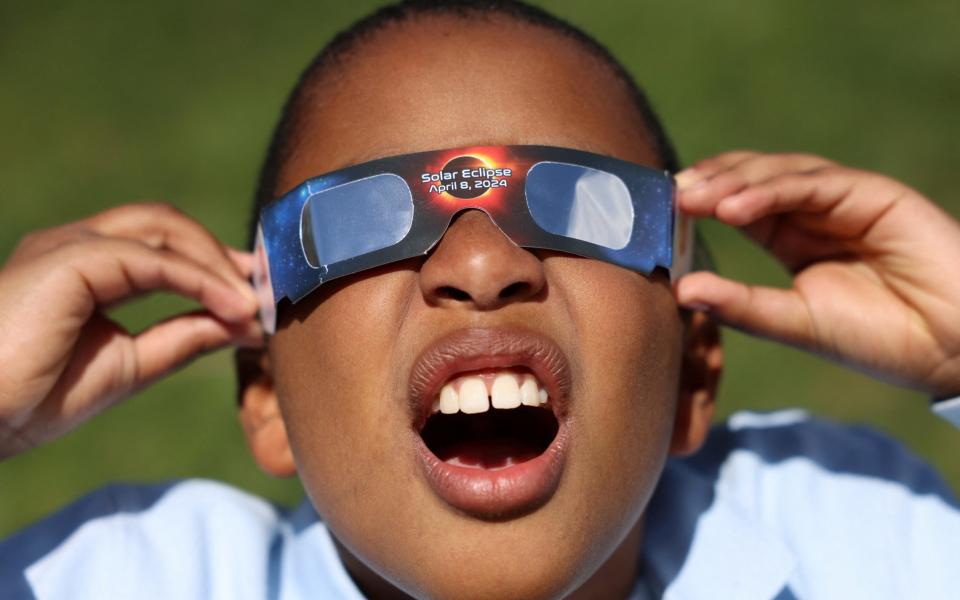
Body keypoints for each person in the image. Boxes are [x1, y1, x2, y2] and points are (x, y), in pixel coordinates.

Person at [1, 1, 959, 598]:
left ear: (692, 375)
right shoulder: (124, 577)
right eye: (364, 223)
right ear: (268, 401)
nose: (482, 263)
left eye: (577, 207)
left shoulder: (854, 530)